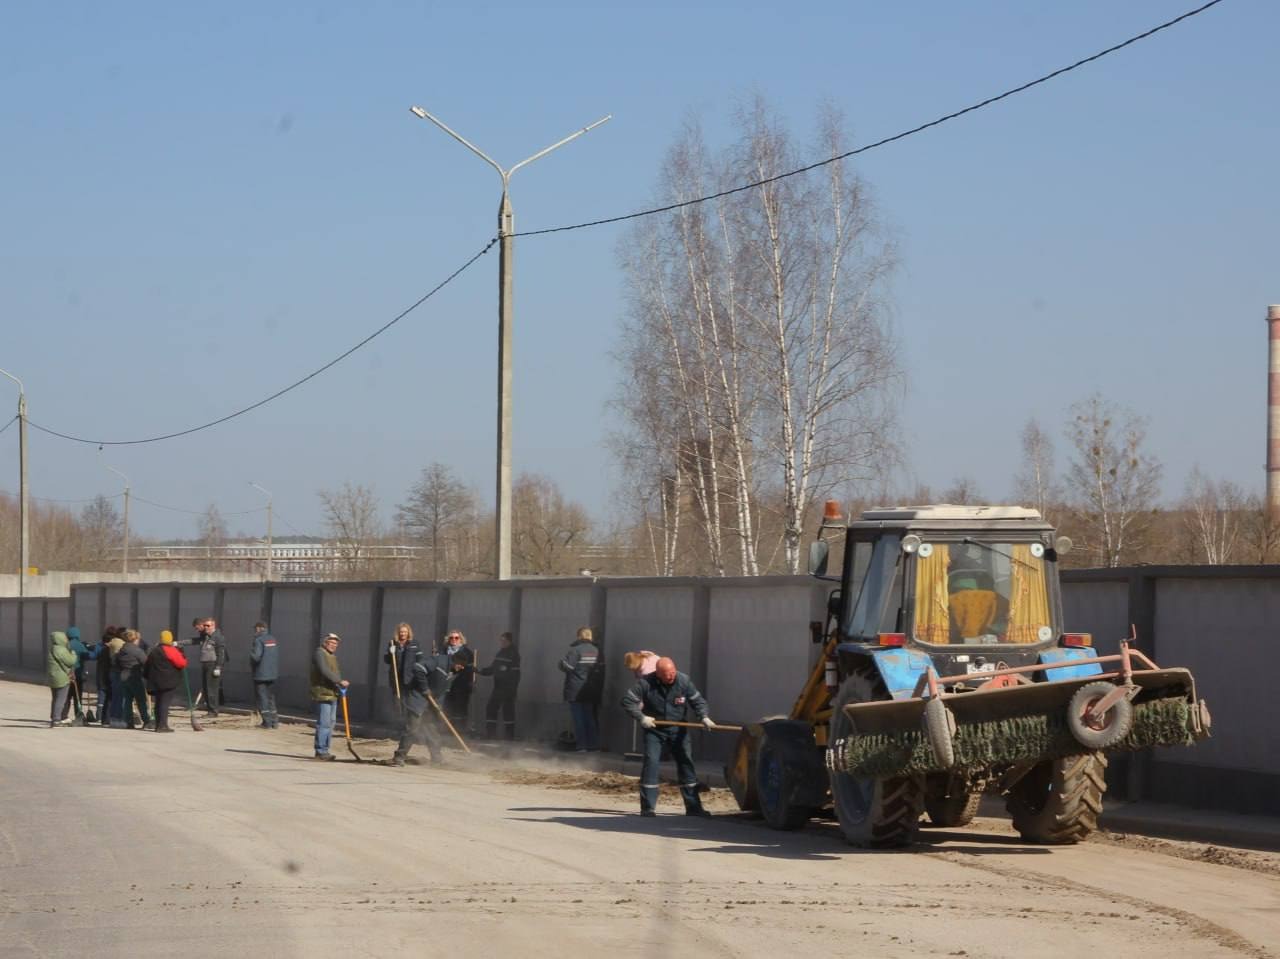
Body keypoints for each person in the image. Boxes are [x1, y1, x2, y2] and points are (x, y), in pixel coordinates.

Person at [621, 656, 715, 818]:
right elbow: (627, 701)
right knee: (651, 762)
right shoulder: (646, 683)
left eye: (672, 672)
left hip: (678, 729)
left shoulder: (683, 681)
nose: (671, 676)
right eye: (666, 674)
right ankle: (648, 808)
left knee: (686, 762)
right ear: (657, 674)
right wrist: (641, 717)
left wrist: (704, 716)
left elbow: (698, 701)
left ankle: (693, 807)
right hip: (654, 729)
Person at [390, 644, 444, 768]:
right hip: (417, 700)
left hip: (429, 703)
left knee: (431, 730)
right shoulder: (429, 666)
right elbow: (418, 669)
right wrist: (425, 689)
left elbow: (441, 690)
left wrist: (437, 705)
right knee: (412, 729)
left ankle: (436, 758)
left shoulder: (447, 670)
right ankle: (399, 757)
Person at [558, 626, 604, 752]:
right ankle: (593, 745)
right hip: (591, 689)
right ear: (590, 636)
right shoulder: (597, 651)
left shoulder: (576, 650)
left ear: (579, 636)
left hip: (576, 689)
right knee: (589, 717)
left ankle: (582, 745)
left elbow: (568, 667)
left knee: (578, 718)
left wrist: (561, 663)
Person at [309, 632, 349, 760]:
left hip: (332, 693)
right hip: (323, 693)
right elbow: (324, 670)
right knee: (324, 723)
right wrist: (339, 681)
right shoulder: (320, 653)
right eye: (331, 643)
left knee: (331, 722)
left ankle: (325, 749)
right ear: (325, 642)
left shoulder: (331, 656)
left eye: (336, 644)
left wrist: (339, 685)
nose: (334, 645)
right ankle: (320, 751)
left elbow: (334, 672)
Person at [478, 632, 521, 740]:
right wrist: (480, 671)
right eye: (501, 640)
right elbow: (493, 669)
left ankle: (509, 737)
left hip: (508, 688)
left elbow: (516, 674)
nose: (502, 643)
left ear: (509, 641)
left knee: (508, 711)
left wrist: (512, 689)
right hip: (498, 687)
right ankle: (491, 735)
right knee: (491, 708)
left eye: (504, 641)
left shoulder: (513, 654)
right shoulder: (500, 653)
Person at [143, 630, 187, 733]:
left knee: (158, 703)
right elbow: (181, 663)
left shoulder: (154, 651)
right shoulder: (171, 650)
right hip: (168, 681)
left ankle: (158, 725)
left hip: (155, 681)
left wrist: (147, 677)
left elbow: (147, 665)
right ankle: (162, 726)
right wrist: (183, 655)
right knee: (164, 703)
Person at [115, 629, 152, 730]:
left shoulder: (121, 650)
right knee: (141, 700)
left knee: (127, 700)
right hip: (135, 676)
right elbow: (146, 662)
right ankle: (146, 720)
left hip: (123, 676)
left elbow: (116, 663)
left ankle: (129, 722)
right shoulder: (136, 651)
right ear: (134, 639)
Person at [61, 626, 99, 722]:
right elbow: (90, 656)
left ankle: (63, 716)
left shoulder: (64, 645)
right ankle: (78, 715)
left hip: (65, 674)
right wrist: (92, 649)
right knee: (77, 697)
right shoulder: (80, 645)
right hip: (78, 674)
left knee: (66, 697)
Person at [249, 621, 279, 729]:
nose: (254, 631)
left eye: (255, 629)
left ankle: (267, 722)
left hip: (260, 674)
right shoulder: (273, 639)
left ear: (259, 628)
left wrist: (251, 654)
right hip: (272, 673)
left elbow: (256, 657)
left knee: (262, 698)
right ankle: (274, 722)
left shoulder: (258, 640)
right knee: (271, 698)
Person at [443, 630, 475, 731]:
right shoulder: (444, 651)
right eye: (451, 638)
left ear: (461, 639)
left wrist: (470, 683)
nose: (454, 640)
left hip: (461, 684)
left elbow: (467, 669)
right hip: (447, 684)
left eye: (456, 638)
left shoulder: (467, 653)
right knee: (448, 707)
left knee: (460, 708)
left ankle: (460, 730)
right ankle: (448, 730)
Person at [195, 618, 227, 717]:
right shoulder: (205, 636)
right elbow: (194, 640)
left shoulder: (218, 637)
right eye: (205, 625)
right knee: (206, 688)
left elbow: (221, 654)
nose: (206, 627)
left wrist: (218, 667)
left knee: (211, 689)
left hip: (213, 665)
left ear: (213, 626)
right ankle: (210, 710)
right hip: (205, 664)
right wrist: (178, 643)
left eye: (208, 625)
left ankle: (213, 711)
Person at [47, 630, 78, 727]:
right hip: (62, 677)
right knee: (61, 699)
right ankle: (56, 719)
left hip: (53, 677)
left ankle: (54, 717)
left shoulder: (53, 648)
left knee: (55, 698)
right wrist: (73, 654)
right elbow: (70, 661)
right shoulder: (61, 649)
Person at [104, 627, 127, 727]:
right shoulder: (121, 644)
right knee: (121, 697)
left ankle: (113, 718)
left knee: (115, 696)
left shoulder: (112, 642)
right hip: (120, 671)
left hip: (113, 671)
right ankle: (120, 718)